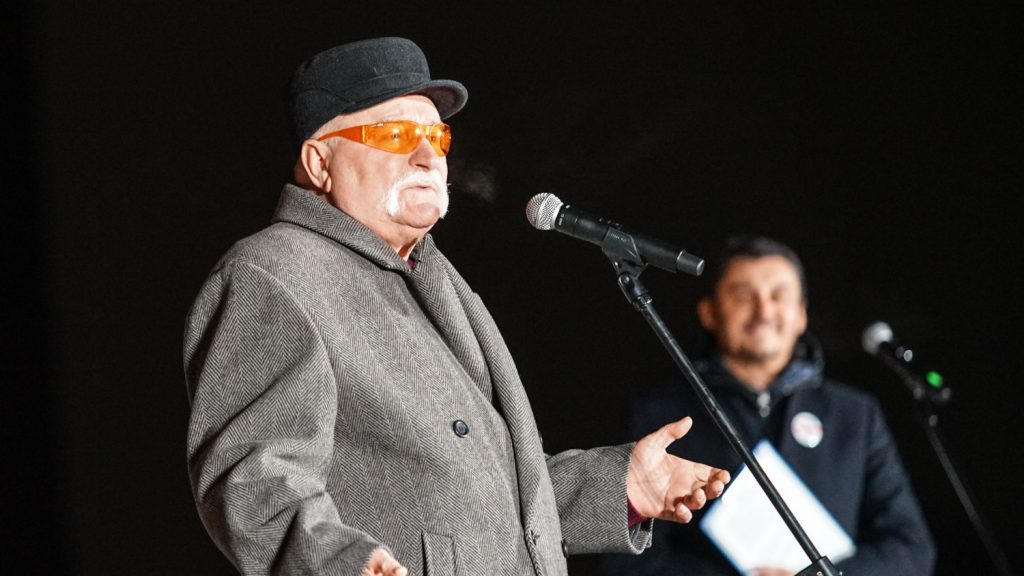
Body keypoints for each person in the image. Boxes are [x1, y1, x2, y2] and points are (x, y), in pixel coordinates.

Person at [182, 37, 730, 576]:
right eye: (395, 135)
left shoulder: (434, 273)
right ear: (319, 163)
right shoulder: (271, 274)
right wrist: (346, 565)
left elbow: (480, 498)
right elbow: (254, 480)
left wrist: (618, 487)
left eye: (436, 137)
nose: (427, 156)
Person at [597, 235, 936, 575]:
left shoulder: (855, 414)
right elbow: (623, 562)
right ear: (709, 312)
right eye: (744, 296)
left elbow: (911, 547)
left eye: (778, 295)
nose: (764, 311)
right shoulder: (660, 415)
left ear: (801, 314)